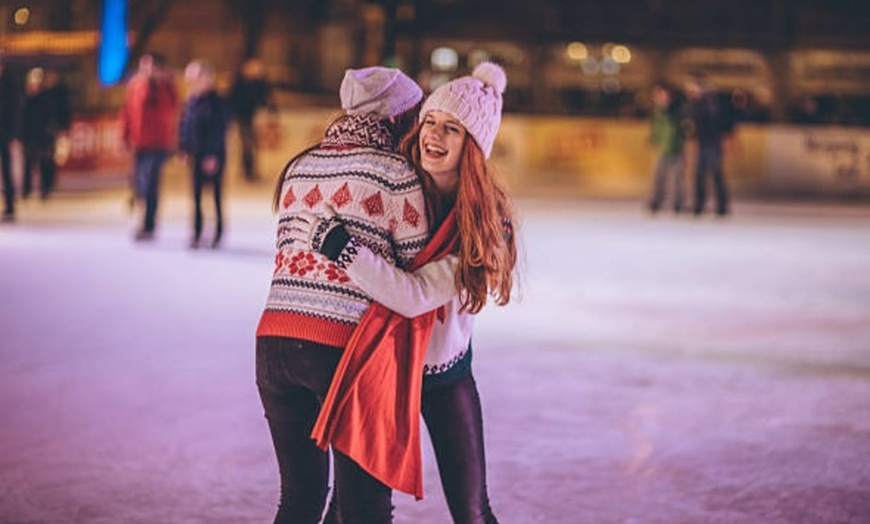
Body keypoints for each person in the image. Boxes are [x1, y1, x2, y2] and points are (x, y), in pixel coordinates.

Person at [290, 62, 517, 524]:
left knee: (472, 509)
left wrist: (344, 249)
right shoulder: (397, 181)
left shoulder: (484, 227)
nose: (434, 135)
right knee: (349, 507)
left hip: (443, 372)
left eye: (452, 129)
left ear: (474, 146)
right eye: (430, 121)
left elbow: (412, 295)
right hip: (384, 366)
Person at [254, 66, 428, 524]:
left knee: (300, 498)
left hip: (274, 344)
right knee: (364, 508)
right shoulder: (396, 173)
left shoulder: (301, 165)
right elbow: (417, 271)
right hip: (343, 352)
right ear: (399, 119)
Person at [119, 52, 179, 241]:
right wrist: (124, 136)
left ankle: (148, 223)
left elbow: (172, 111)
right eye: (144, 66)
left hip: (159, 143)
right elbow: (127, 112)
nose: (147, 70)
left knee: (151, 182)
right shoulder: (136, 86)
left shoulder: (166, 87)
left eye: (151, 66)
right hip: (139, 142)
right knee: (140, 182)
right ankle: (142, 210)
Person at [178, 60, 230, 249]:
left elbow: (219, 131)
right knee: (197, 196)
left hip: (213, 156)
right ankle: (197, 232)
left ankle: (217, 233)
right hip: (196, 155)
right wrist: (183, 148)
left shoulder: (218, 102)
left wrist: (212, 155)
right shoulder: (192, 100)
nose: (191, 82)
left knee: (215, 195)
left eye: (195, 77)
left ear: (207, 78)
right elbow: (185, 126)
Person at [683, 73, 735, 217]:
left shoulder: (713, 103)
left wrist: (727, 138)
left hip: (713, 142)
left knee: (716, 174)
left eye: (692, 89)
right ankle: (699, 204)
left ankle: (722, 205)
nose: (690, 92)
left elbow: (723, 120)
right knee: (699, 175)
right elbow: (690, 123)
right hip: (700, 143)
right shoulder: (694, 104)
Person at [20, 68, 71, 201]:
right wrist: (22, 135)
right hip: (30, 137)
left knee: (44, 163)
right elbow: (23, 119)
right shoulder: (27, 100)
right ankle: (27, 189)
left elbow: (51, 116)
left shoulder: (46, 99)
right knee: (29, 164)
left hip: (43, 136)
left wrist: (51, 130)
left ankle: (45, 189)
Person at [229, 57, 272, 182]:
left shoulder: (259, 84)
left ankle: (250, 170)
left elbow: (266, 98)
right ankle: (247, 171)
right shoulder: (240, 83)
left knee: (252, 146)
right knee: (247, 145)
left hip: (255, 118)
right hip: (244, 118)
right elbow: (233, 100)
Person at [647, 82, 687, 214]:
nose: (659, 98)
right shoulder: (657, 111)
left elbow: (681, 129)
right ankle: (656, 201)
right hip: (662, 149)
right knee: (658, 177)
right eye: (657, 95)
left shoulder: (677, 110)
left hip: (676, 148)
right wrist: (653, 140)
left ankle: (678, 202)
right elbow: (656, 128)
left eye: (662, 94)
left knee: (677, 178)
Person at [0, 55, 20, 223]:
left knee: (6, 171)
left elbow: (13, 112)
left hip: (4, 134)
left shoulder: (9, 85)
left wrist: (12, 134)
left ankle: (10, 205)